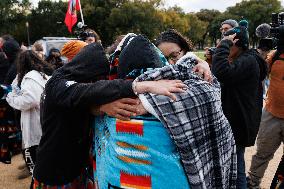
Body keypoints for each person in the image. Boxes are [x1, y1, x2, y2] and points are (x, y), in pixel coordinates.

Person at [32, 42, 186, 188]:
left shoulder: (73, 88)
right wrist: (141, 86)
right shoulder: (57, 84)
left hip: (76, 169)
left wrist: (102, 107)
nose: (101, 82)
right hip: (53, 173)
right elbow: (86, 92)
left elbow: (82, 104)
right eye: (98, 79)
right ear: (85, 70)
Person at [94, 34, 237, 189]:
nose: (170, 64)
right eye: (166, 58)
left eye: (174, 56)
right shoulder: (109, 102)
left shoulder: (193, 87)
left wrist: (148, 101)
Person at [212, 21, 268, 189]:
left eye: (230, 46)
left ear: (238, 45)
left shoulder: (249, 60)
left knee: (237, 169)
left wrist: (223, 45)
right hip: (240, 120)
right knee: (235, 165)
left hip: (239, 124)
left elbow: (221, 72)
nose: (227, 50)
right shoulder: (246, 59)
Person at [6, 50, 53, 178]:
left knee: (36, 168)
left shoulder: (30, 77)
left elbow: (30, 100)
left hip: (35, 125)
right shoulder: (40, 75)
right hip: (43, 123)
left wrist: (10, 98)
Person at [247, 45, 284, 189]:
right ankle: (253, 183)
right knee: (262, 152)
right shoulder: (275, 56)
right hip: (271, 114)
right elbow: (259, 71)